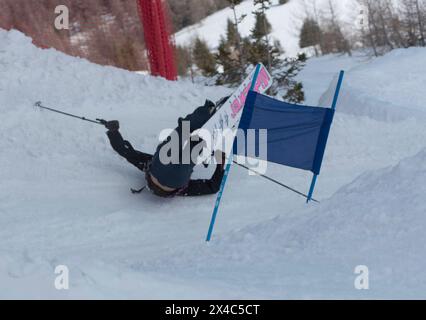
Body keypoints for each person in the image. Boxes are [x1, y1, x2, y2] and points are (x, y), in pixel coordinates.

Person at [102, 98, 229, 198]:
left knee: (195, 141)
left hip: (177, 179)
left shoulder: (180, 187)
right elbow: (124, 151)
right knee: (185, 129)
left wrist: (221, 163)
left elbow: (213, 187)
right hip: (160, 167)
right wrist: (113, 131)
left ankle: (208, 116)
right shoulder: (148, 164)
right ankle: (205, 113)